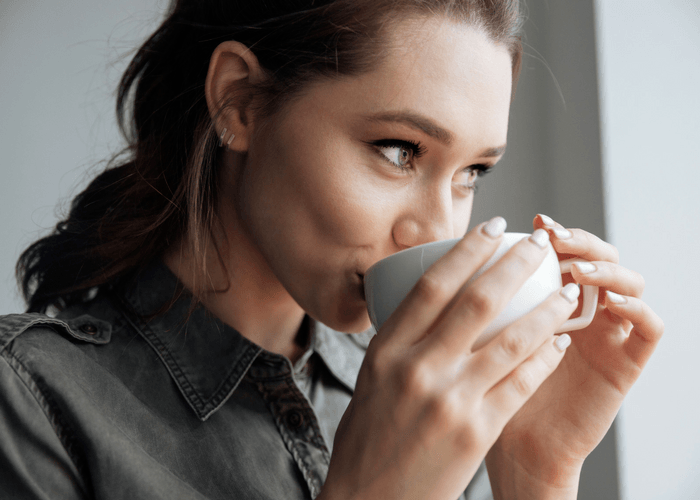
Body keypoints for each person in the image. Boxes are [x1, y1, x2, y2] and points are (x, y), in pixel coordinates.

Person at [0, 0, 663, 499]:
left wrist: (534, 474)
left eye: (472, 174)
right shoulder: (32, 404)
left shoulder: (433, 394)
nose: (436, 232)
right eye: (399, 151)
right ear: (240, 102)